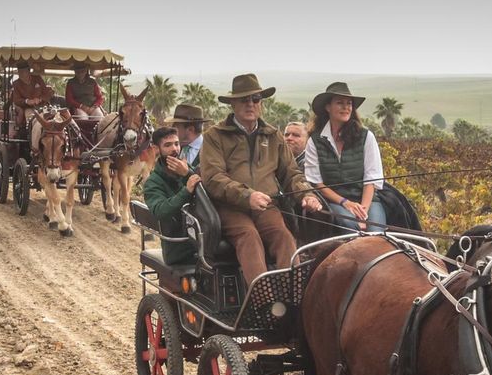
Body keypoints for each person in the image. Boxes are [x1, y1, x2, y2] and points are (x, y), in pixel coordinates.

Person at [199, 74, 322, 285]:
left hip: (267, 206)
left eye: (255, 99)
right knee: (249, 237)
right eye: (244, 100)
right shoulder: (214, 136)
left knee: (284, 237)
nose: (250, 104)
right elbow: (213, 178)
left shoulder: (273, 136)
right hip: (229, 207)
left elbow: (291, 173)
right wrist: (247, 196)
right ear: (233, 104)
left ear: (261, 103)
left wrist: (307, 195)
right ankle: (262, 299)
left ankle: (291, 293)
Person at [302, 82, 387, 234]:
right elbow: (317, 183)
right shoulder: (314, 141)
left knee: (377, 234)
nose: (346, 107)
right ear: (328, 107)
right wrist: (345, 202)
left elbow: (371, 179)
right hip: (336, 202)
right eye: (340, 103)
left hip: (367, 201)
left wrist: (363, 213)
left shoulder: (366, 136)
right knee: (349, 227)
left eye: (349, 103)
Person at [141, 127, 203, 263]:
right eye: (167, 145)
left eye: (176, 144)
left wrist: (187, 174)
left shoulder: (186, 169)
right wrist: (186, 191)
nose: (174, 149)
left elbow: (206, 196)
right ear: (157, 149)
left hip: (200, 239)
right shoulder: (153, 182)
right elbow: (161, 211)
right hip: (178, 247)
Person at [8, 61, 53, 136]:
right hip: (28, 108)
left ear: (28, 71)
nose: (21, 74)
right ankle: (32, 137)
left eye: (23, 71)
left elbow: (47, 93)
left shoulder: (38, 79)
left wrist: (40, 99)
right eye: (19, 72)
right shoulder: (16, 83)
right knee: (31, 119)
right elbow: (16, 100)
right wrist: (27, 101)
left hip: (43, 107)